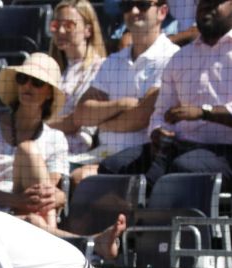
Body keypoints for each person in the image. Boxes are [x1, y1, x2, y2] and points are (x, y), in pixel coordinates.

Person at [99, 0, 232, 190]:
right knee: (111, 168)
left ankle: (158, 217)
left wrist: (205, 113)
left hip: (231, 152)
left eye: (215, 2)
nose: (205, 6)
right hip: (176, 146)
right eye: (200, 2)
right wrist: (157, 131)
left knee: (182, 167)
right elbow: (160, 113)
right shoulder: (182, 57)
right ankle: (124, 219)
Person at [72, 0, 180, 183]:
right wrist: (123, 105)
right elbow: (82, 115)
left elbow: (141, 118)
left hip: (142, 156)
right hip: (102, 153)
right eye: (127, 6)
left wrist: (103, 122)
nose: (134, 11)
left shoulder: (172, 57)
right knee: (51, 174)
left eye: (143, 5)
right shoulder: (113, 60)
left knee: (80, 179)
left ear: (162, 12)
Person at [0, 53, 70, 231]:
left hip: (29, 214)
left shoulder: (56, 139)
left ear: (50, 93)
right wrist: (18, 200)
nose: (27, 86)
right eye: (22, 78)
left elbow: (46, 193)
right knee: (35, 223)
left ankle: (61, 239)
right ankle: (82, 241)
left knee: (28, 150)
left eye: (37, 82)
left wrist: (59, 197)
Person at [47, 0, 109, 169]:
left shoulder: (102, 68)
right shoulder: (57, 70)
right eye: (55, 25)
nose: (60, 31)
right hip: (48, 143)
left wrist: (39, 126)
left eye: (69, 25)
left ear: (88, 30)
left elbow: (77, 121)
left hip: (77, 150)